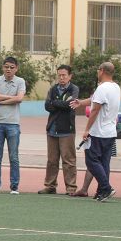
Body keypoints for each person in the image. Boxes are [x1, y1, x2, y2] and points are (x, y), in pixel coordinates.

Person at [70, 61, 121, 202]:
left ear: (102, 71)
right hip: (110, 132)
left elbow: (95, 110)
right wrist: (81, 102)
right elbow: (94, 100)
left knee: (91, 160)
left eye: (98, 70)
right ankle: (101, 192)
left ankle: (106, 187)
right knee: (104, 162)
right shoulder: (115, 87)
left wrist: (87, 129)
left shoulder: (102, 88)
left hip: (99, 132)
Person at [40, 65, 79, 195]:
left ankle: (71, 187)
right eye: (59, 75)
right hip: (52, 128)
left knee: (69, 160)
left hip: (67, 129)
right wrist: (59, 103)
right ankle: (50, 186)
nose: (61, 78)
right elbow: (47, 106)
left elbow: (69, 105)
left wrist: (55, 102)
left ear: (70, 76)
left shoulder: (74, 89)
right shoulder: (53, 89)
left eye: (64, 75)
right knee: (52, 160)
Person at [0, 56, 26, 194]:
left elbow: (20, 98)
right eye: (6, 67)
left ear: (16, 69)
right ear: (2, 67)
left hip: (13, 124)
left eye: (11, 67)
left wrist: (2, 100)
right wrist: (12, 98)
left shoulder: (20, 81)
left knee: (14, 157)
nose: (8, 69)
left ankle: (14, 186)